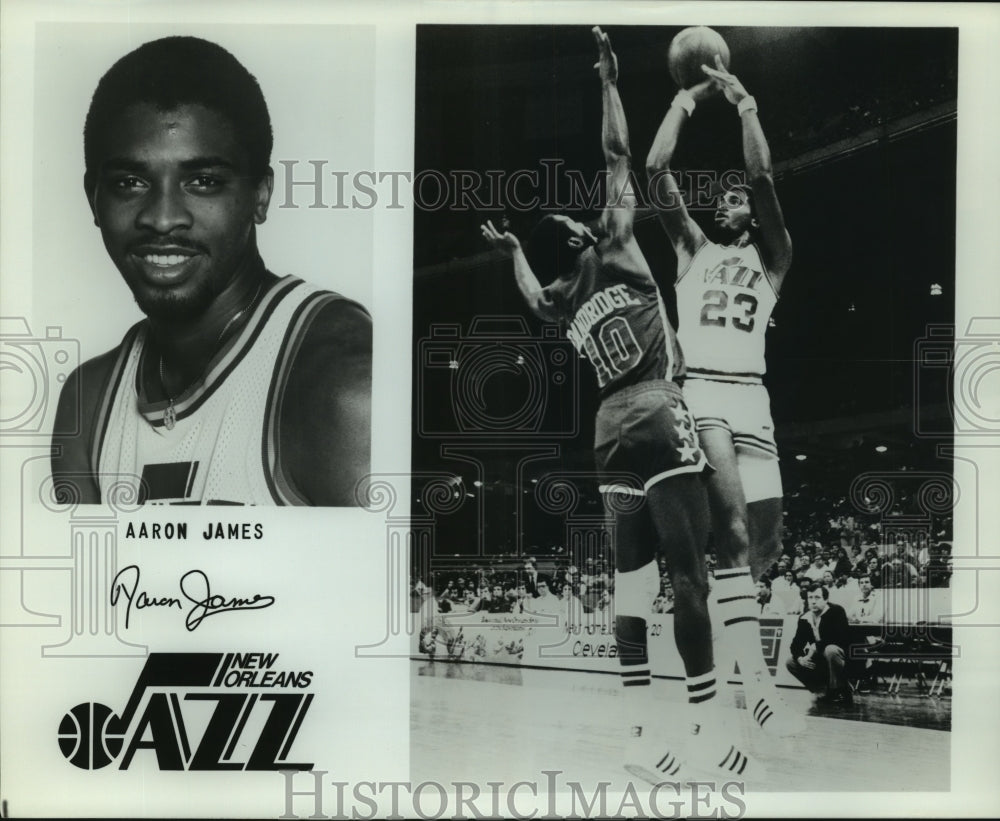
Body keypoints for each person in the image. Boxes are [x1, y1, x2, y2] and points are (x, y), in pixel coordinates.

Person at [480, 27, 756, 782]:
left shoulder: (559, 301)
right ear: (575, 235)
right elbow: (616, 155)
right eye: (572, 220)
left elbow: (531, 290)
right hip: (658, 410)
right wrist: (608, 82)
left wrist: (510, 251)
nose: (582, 212)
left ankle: (641, 735)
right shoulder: (612, 245)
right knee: (692, 574)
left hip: (605, 432)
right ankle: (706, 730)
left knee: (632, 586)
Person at [49, 36, 371, 506]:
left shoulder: (342, 381)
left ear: (260, 195)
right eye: (130, 182)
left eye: (203, 182)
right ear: (92, 197)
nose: (162, 219)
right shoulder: (89, 400)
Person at [646, 53, 802, 736]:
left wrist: (746, 106)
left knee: (760, 546)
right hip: (704, 391)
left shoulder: (774, 259)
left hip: (755, 400)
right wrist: (687, 100)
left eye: (734, 198)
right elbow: (655, 174)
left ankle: (727, 644)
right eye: (723, 197)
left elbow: (764, 175)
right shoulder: (692, 250)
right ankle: (755, 680)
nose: (726, 200)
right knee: (734, 533)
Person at [786, 584, 854, 704]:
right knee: (791, 662)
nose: (813, 602)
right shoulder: (804, 617)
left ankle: (838, 690)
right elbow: (796, 645)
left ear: (826, 599)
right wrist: (800, 658)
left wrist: (814, 647)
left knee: (830, 650)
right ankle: (821, 691)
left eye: (817, 597)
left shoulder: (837, 611)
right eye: (810, 598)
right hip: (819, 658)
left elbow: (839, 637)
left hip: (842, 657)